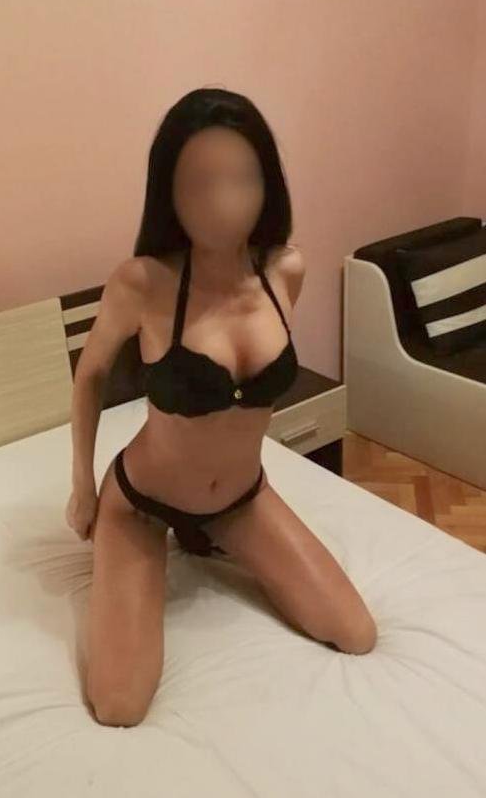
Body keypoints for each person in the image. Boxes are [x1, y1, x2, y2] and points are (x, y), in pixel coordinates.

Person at [65, 87, 377, 727]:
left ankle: (207, 536)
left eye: (242, 180)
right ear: (169, 191)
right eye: (200, 184)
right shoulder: (143, 282)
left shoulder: (285, 270)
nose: (223, 203)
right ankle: (158, 536)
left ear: (268, 185)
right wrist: (81, 488)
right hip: (143, 500)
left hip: (239, 497)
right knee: (120, 705)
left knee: (356, 633)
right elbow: (90, 375)